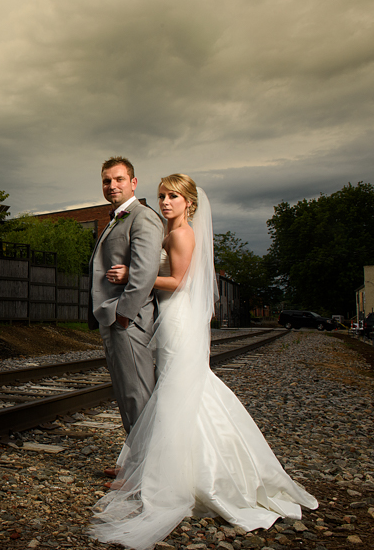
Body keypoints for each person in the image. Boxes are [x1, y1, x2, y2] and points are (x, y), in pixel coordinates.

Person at [89, 174, 317, 550]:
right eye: (162, 195)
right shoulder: (169, 231)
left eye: (173, 196)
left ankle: (181, 474)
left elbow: (177, 280)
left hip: (177, 315)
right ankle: (173, 467)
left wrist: (135, 275)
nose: (165, 202)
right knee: (178, 389)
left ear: (189, 202)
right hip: (170, 314)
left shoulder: (181, 234)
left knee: (182, 387)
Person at [88, 157, 164, 440]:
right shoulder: (116, 217)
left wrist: (124, 314)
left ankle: (147, 471)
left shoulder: (142, 217)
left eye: (119, 179)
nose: (112, 185)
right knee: (124, 393)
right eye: (107, 180)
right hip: (113, 318)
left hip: (128, 321)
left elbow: (145, 271)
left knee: (137, 395)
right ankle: (134, 463)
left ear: (133, 183)